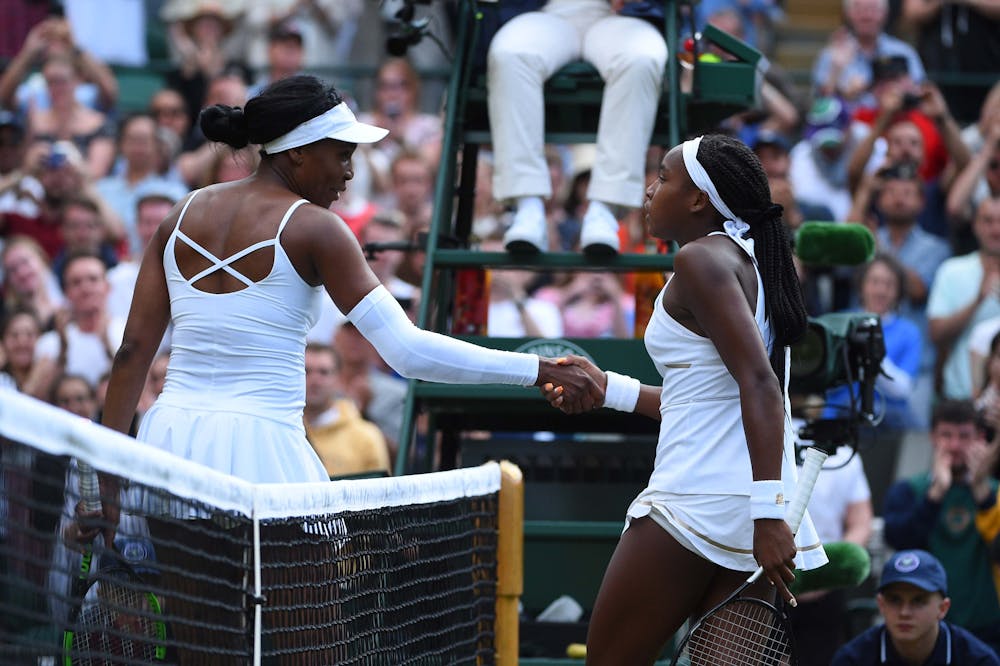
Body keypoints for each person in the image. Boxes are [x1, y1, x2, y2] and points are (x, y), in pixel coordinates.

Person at [98, 75, 599, 662]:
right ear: (301, 151)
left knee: (204, 650)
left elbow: (132, 353)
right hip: (264, 456)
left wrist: (106, 476)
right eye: (342, 156)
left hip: (171, 448)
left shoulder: (177, 217)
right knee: (313, 648)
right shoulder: (316, 227)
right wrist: (535, 370)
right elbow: (408, 352)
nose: (349, 174)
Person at [541, 133, 827, 664]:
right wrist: (610, 389)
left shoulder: (700, 260)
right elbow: (703, 396)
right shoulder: (750, 262)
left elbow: (761, 385)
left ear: (698, 198)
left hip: (699, 499)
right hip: (751, 506)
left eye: (664, 177)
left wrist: (768, 516)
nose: (650, 191)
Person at [487, 0, 668, 255]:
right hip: (544, 12)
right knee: (509, 54)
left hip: (620, 16)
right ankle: (527, 207)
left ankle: (605, 210)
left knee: (642, 57)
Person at [883, 399, 1000, 652]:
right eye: (947, 435)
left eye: (964, 436)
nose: (955, 446)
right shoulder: (909, 490)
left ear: (981, 438)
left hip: (989, 630)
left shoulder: (995, 493)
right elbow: (897, 540)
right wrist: (936, 494)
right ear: (932, 437)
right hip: (926, 632)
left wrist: (983, 494)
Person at [831, 549, 1000, 665]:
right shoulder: (851, 660)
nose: (905, 612)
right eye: (895, 600)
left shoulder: (978, 660)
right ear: (881, 605)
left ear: (943, 608)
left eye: (919, 601)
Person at [303, 342, 391, 478]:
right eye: (306, 371)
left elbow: (379, 494)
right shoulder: (280, 430)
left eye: (324, 372)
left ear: (338, 379)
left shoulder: (367, 436)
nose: (314, 380)